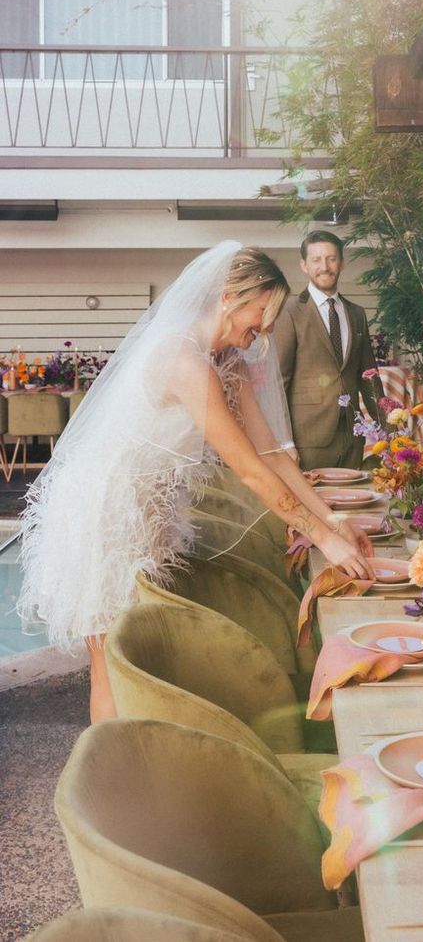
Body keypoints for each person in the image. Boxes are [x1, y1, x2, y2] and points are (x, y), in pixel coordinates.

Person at [18, 242, 375, 723]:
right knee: (113, 666)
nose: (262, 334)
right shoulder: (185, 361)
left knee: (142, 662)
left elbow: (273, 455)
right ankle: (114, 778)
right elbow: (250, 470)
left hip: (151, 515)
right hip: (107, 515)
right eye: (260, 317)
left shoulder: (231, 361)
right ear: (229, 296)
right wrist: (324, 542)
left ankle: (144, 759)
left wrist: (333, 521)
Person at [273, 230, 383, 470]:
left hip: (352, 439)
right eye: (316, 260)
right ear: (304, 265)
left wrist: (391, 430)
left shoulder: (356, 313)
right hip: (307, 441)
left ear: (341, 263)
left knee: (353, 505)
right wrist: (284, 442)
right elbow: (278, 384)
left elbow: (369, 378)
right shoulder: (289, 311)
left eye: (331, 259)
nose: (325, 266)